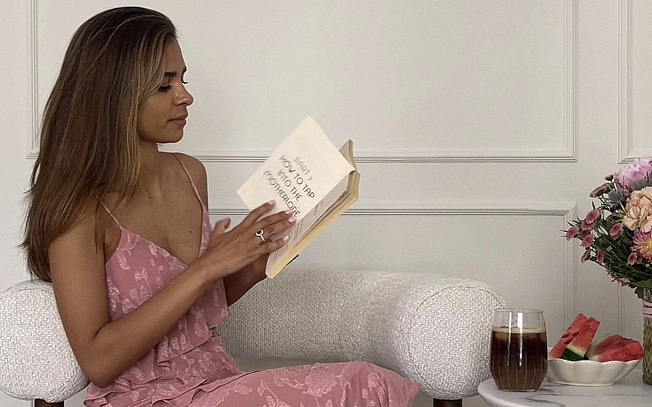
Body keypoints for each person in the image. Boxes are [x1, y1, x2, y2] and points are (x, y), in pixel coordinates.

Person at [22, 6, 421, 407]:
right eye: (164, 85)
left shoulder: (189, 174)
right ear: (113, 96)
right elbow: (98, 362)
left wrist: (254, 265)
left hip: (217, 381)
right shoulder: (77, 210)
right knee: (362, 383)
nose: (186, 96)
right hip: (143, 399)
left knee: (361, 383)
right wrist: (207, 266)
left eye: (183, 79)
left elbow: (194, 314)